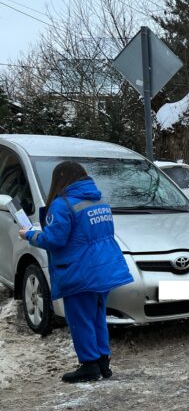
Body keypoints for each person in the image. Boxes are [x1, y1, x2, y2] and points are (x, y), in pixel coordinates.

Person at [19, 161, 133, 383]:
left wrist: (30, 235)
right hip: (104, 269)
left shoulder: (62, 205)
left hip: (80, 271)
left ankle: (89, 366)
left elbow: (55, 240)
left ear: (61, 179)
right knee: (97, 316)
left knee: (81, 319)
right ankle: (102, 362)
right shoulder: (99, 201)